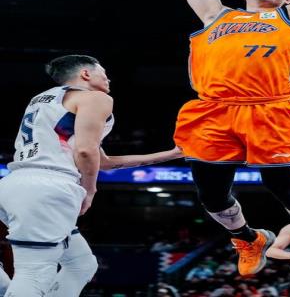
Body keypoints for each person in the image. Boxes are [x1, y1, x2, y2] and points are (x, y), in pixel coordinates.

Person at [174, 0, 290, 276]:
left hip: (271, 108)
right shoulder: (215, 15)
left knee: (283, 187)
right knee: (212, 195)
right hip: (213, 110)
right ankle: (247, 238)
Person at [0, 55, 182, 297]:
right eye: (103, 72)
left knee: (81, 264)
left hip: (15, 184)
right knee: (34, 273)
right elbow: (85, 151)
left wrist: (172, 154)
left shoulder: (42, 99)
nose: (108, 79)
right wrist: (89, 190)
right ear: (85, 74)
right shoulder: (96, 98)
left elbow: (102, 161)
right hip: (47, 187)